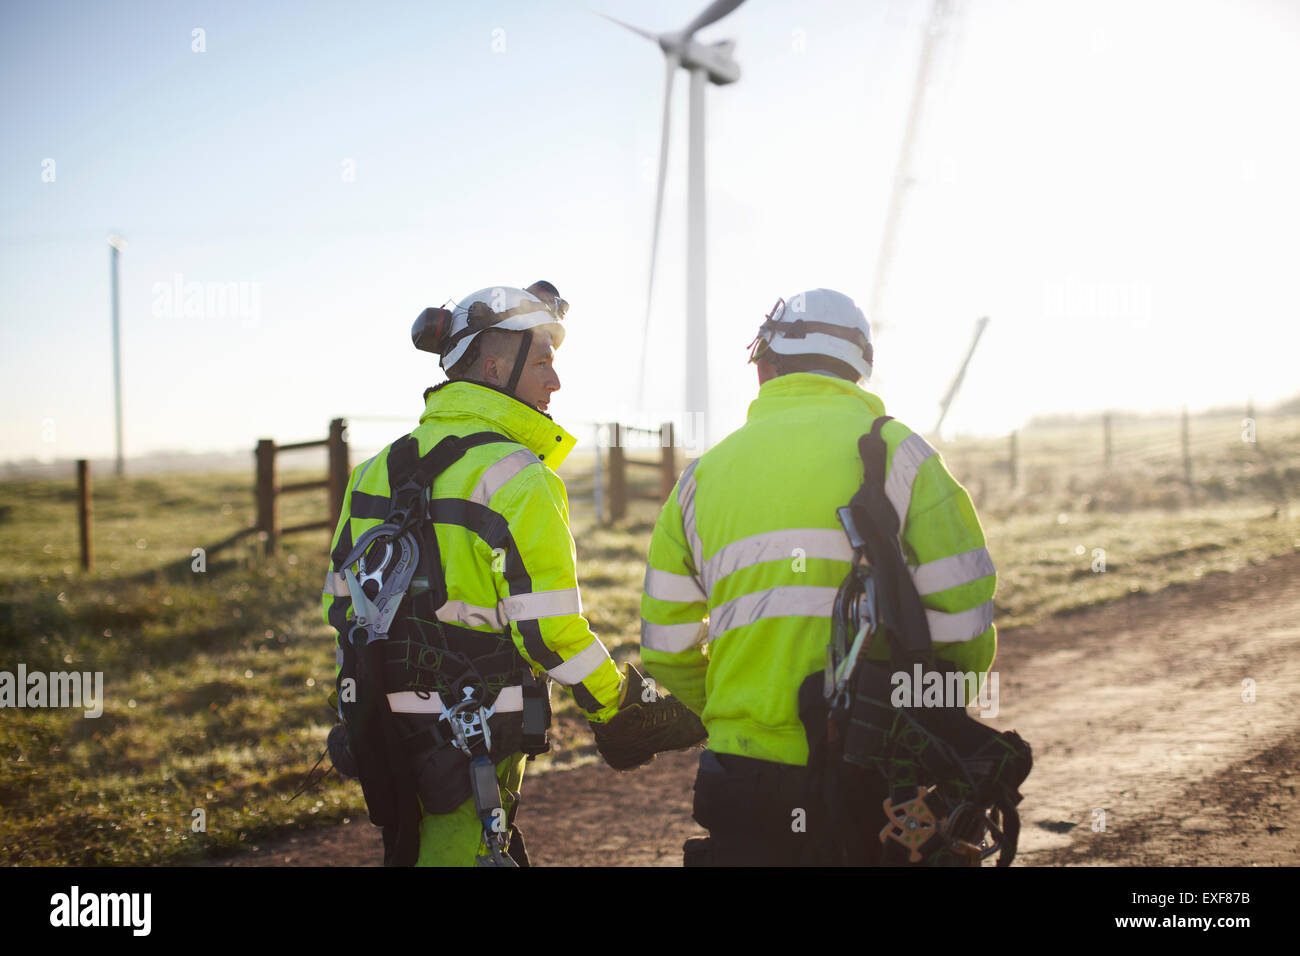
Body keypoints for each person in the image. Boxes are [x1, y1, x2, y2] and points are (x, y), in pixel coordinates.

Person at [322, 281, 702, 867]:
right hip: (471, 736)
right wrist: (619, 704)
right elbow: (548, 631)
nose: (556, 381)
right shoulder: (520, 477)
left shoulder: (375, 469)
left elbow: (342, 605)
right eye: (544, 362)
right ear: (496, 367)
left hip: (380, 726)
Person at [638, 288, 999, 865]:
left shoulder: (701, 479)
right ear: (859, 368)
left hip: (741, 774)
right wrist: (930, 723)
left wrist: (736, 713)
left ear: (765, 364)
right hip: (876, 776)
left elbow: (664, 648)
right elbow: (965, 623)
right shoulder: (905, 458)